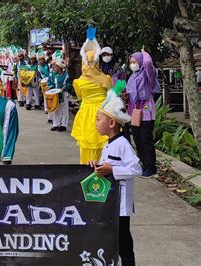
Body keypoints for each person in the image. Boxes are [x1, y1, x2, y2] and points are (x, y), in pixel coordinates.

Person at [89, 87, 142, 266]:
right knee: (113, 240)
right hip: (111, 202)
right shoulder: (108, 144)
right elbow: (106, 166)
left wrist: (112, 170)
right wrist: (95, 165)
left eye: (98, 119)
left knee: (123, 242)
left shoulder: (122, 144)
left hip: (121, 205)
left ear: (111, 123)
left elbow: (136, 169)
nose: (95, 123)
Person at [71, 38, 113, 164]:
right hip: (104, 113)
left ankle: (86, 171)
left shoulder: (78, 82)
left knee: (87, 145)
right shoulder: (106, 79)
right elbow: (111, 95)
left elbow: (79, 97)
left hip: (86, 114)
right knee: (105, 143)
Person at [126, 48, 160, 178]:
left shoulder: (147, 74)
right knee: (137, 139)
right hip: (134, 112)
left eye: (135, 61)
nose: (133, 64)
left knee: (146, 139)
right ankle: (144, 164)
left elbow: (147, 64)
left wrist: (145, 54)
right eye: (131, 62)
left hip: (146, 111)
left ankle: (151, 167)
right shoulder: (132, 77)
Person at [47, 59, 70, 131]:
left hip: (64, 94)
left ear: (60, 68)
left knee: (64, 109)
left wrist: (64, 88)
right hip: (56, 94)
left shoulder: (66, 75)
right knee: (56, 108)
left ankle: (63, 125)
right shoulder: (55, 75)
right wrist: (50, 87)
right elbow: (52, 83)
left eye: (56, 67)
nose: (54, 68)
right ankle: (56, 124)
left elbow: (69, 84)